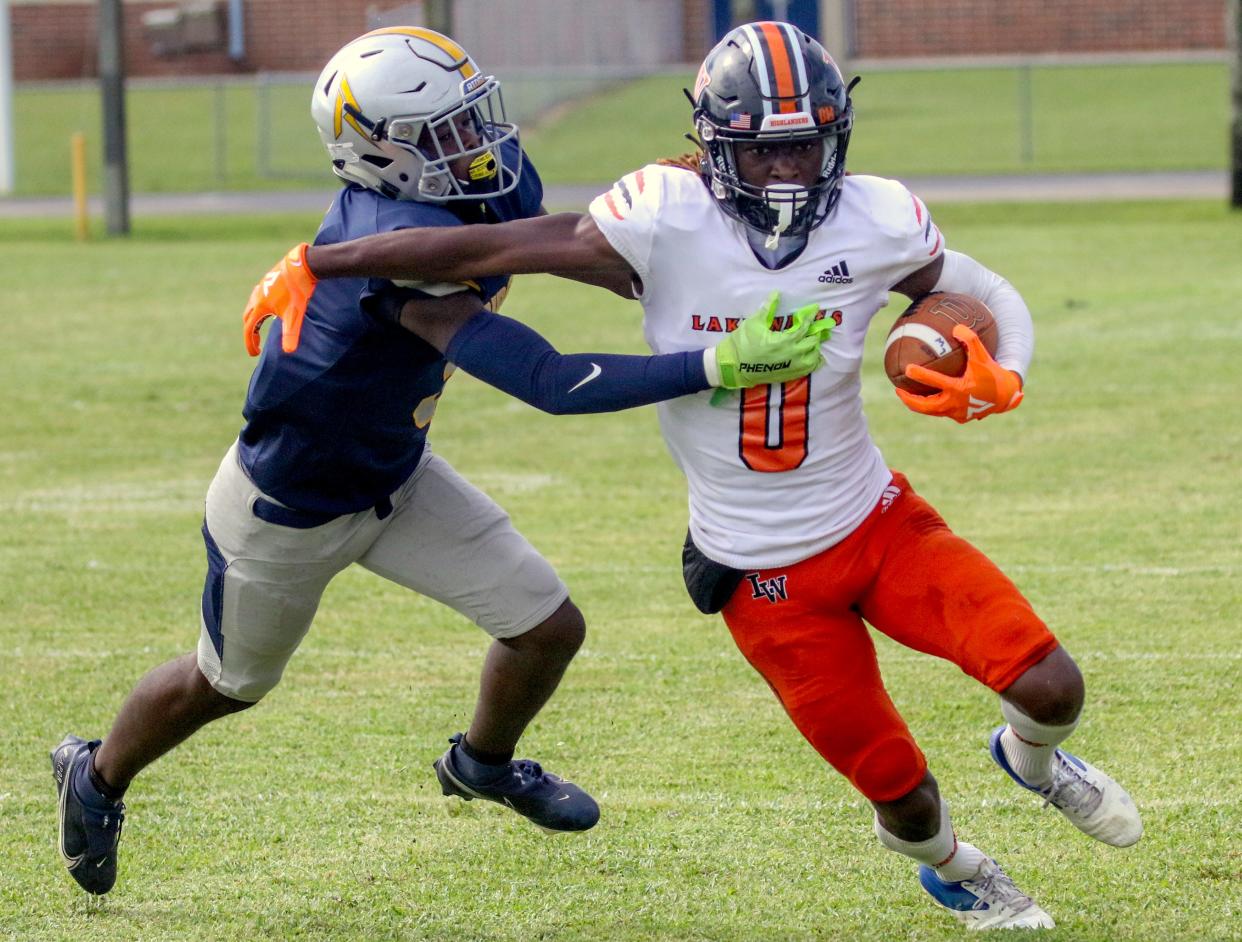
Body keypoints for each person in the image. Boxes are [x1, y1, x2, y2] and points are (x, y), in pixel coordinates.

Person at [244, 21, 1144, 931]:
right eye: (765, 154)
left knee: (1051, 688)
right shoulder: (662, 217)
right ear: (717, 149)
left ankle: (1032, 762)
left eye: (804, 148)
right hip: (762, 577)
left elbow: (983, 287)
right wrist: (319, 259)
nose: (789, 175)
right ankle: (954, 869)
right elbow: (493, 248)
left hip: (876, 521)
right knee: (903, 802)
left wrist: (1007, 375)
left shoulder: (876, 216)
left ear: (835, 139)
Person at [50, 26, 829, 898]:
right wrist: (716, 365)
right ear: (380, 154)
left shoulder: (477, 182)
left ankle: (481, 764)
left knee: (547, 627)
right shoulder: (392, 258)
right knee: (227, 684)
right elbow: (552, 379)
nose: (479, 143)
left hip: (397, 474)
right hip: (291, 508)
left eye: (474, 118)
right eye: (448, 133)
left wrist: (629, 257)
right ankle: (98, 773)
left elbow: (533, 238)